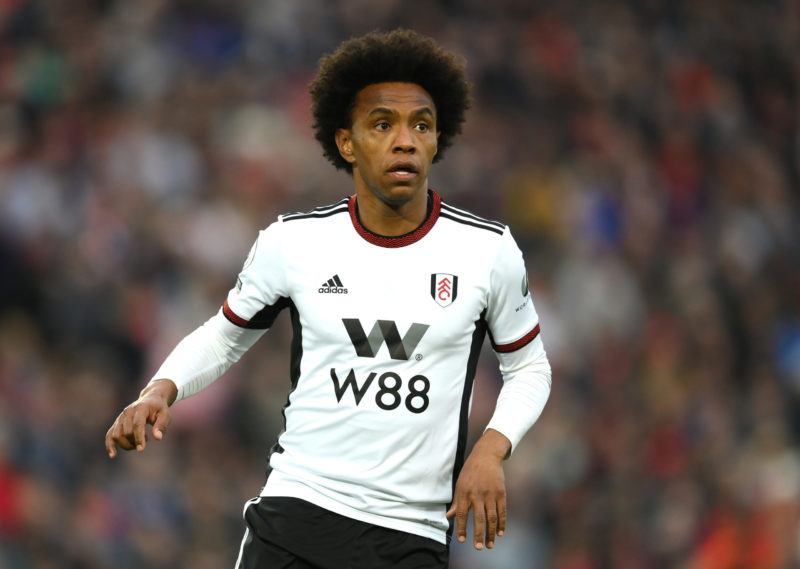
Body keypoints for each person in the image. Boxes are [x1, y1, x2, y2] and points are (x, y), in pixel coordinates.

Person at [105, 28, 551, 569]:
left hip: (410, 532)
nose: (405, 140)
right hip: (298, 511)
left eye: (422, 125)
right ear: (347, 143)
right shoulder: (294, 242)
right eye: (383, 124)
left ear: (438, 141)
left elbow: (528, 367)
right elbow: (225, 336)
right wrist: (161, 389)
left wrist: (492, 447)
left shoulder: (488, 251)